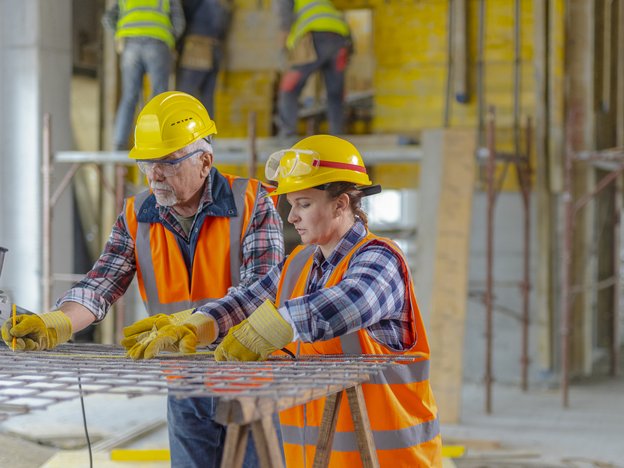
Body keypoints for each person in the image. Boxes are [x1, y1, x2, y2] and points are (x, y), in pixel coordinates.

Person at [1, 91, 285, 468]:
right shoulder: (137, 214)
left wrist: (194, 324)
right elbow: (101, 284)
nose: (154, 174)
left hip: (251, 378)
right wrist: (58, 321)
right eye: (147, 163)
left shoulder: (252, 201)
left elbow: (260, 290)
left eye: (167, 161)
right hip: (183, 382)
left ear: (205, 161)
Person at [135, 134, 443, 466]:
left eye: (303, 204)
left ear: (340, 203)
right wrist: (197, 323)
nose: (291, 217)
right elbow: (247, 300)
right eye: (291, 204)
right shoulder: (300, 263)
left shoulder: (379, 259)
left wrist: (274, 326)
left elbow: (349, 301)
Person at [103, 0, 186, 150]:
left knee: (129, 96)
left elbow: (108, 19)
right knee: (158, 96)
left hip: (130, 46)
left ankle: (119, 143)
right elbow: (179, 21)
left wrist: (119, 35)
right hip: (157, 44)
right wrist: (170, 39)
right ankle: (153, 140)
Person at [275, 0, 352, 137]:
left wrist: (282, 50)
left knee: (289, 88)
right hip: (340, 39)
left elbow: (285, 20)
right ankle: (338, 135)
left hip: (313, 38)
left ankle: (288, 134)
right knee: (335, 94)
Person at [177, 0, 232, 117]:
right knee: (207, 98)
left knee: (185, 95)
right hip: (215, 49)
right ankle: (207, 134)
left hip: (197, 48)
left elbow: (181, 18)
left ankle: (183, 133)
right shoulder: (224, 3)